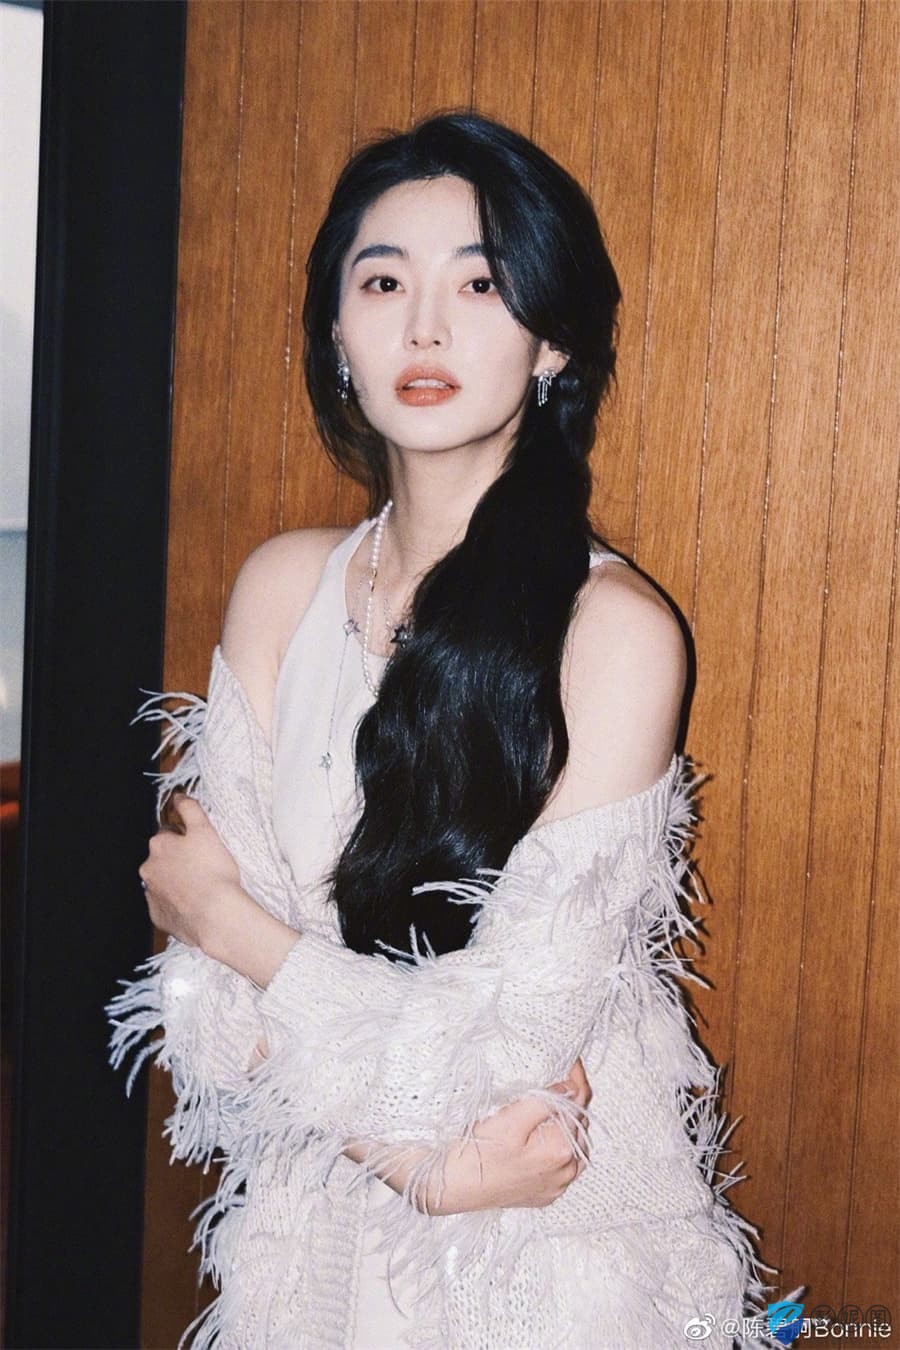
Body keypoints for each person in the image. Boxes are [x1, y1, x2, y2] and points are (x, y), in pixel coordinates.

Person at [107, 112, 785, 1348]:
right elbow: (203, 1019)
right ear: (337, 334)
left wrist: (233, 926)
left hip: (548, 1269)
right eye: (383, 283)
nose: (425, 327)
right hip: (311, 1249)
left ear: (552, 341)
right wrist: (421, 1167)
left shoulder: (613, 632)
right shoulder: (281, 589)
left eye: (479, 284)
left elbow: (514, 1047)